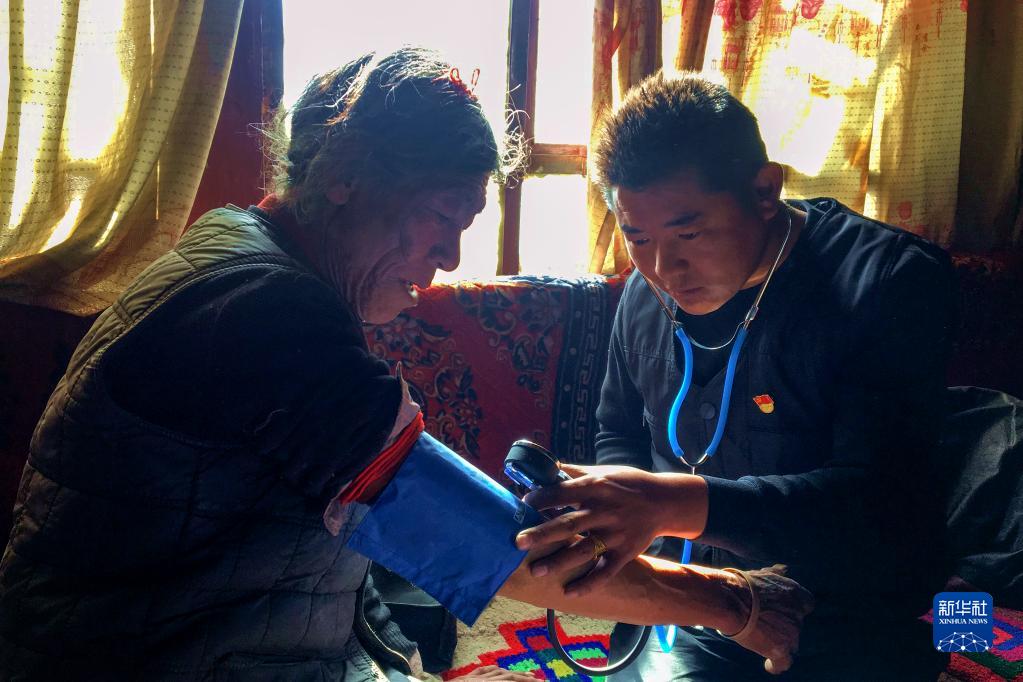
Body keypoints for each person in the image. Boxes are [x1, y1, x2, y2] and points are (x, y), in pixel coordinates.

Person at [0, 50, 810, 680]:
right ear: (345, 176)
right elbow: (477, 542)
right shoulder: (264, 310)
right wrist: (731, 600)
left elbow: (357, 537)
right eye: (439, 216)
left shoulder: (240, 250)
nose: (450, 257)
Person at [514, 74, 956, 680]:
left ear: (765, 190)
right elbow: (618, 429)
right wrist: (625, 529)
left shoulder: (888, 285)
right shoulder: (644, 295)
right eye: (637, 237)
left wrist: (667, 503)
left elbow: (878, 503)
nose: (664, 268)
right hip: (691, 605)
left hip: (849, 612)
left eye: (689, 233)